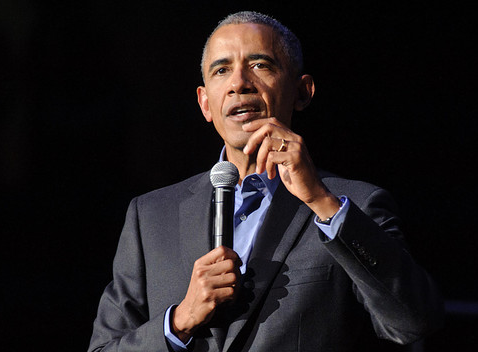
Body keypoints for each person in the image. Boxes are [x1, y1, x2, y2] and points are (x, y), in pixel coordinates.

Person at [88, 11, 443, 352]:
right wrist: (179, 320)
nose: (239, 84)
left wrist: (320, 200)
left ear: (302, 92)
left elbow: (412, 322)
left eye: (260, 65)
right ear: (205, 103)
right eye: (222, 70)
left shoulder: (354, 205)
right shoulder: (151, 216)